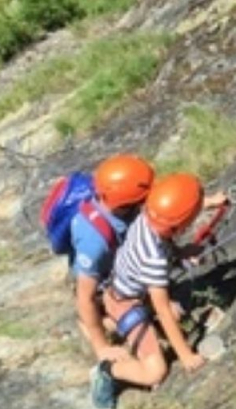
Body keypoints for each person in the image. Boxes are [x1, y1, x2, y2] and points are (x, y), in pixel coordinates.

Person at [89, 172, 215, 408]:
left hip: (125, 290)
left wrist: (180, 254)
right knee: (155, 371)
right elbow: (163, 308)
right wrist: (186, 356)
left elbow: (167, 238)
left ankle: (107, 322)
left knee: (176, 316)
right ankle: (107, 372)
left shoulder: (147, 216)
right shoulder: (153, 259)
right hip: (126, 302)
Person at [69, 155, 155, 367]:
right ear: (126, 204)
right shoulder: (94, 242)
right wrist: (101, 348)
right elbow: (84, 297)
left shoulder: (119, 198)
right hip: (102, 284)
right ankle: (96, 324)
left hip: (117, 265)